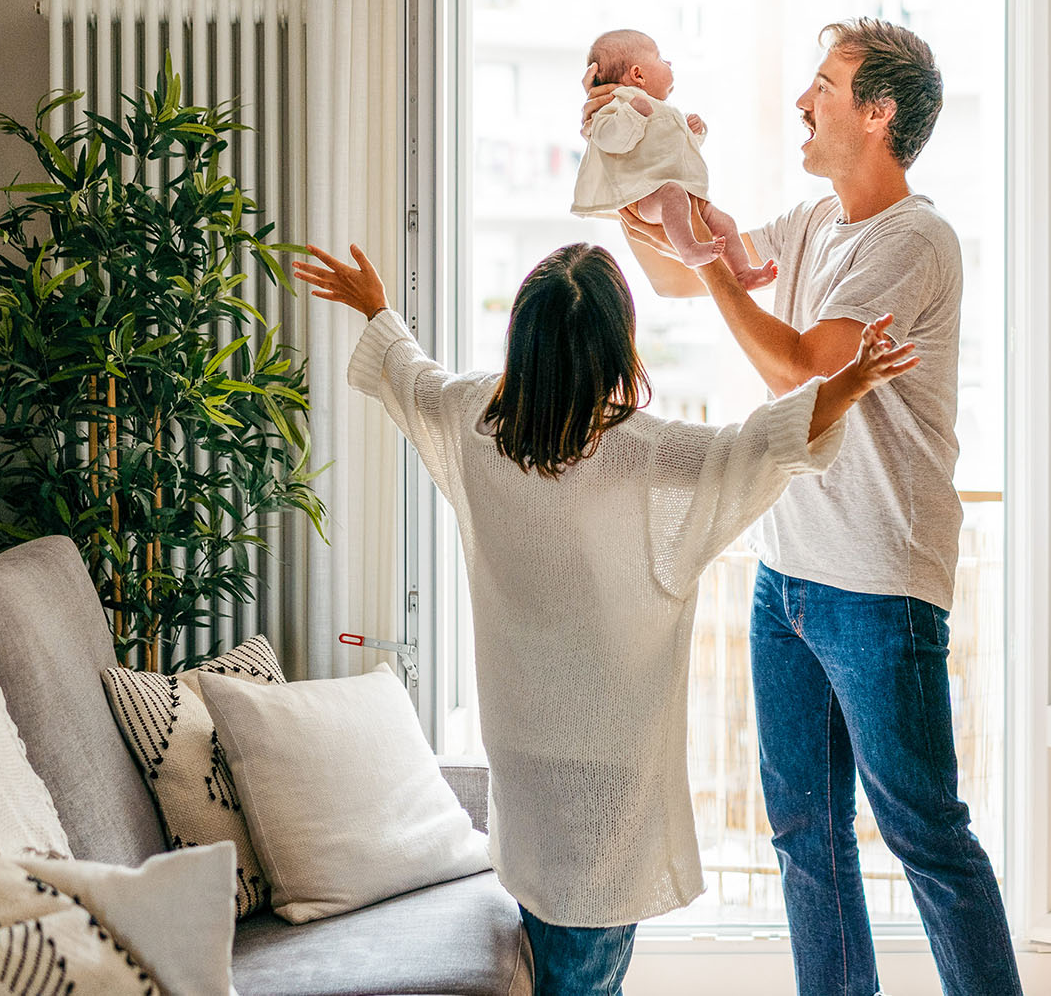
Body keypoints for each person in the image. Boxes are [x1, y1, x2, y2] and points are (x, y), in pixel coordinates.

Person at [291, 240, 919, 996]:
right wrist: (850, 380)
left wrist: (377, 309)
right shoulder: (648, 455)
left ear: (522, 340)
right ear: (617, 349)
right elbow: (762, 444)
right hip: (608, 789)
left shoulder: (475, 423)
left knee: (560, 965)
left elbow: (411, 378)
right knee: (582, 977)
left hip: (522, 769)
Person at [583, 17, 1024, 996]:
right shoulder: (817, 221)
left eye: (824, 85)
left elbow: (801, 368)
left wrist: (707, 255)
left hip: (878, 584)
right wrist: (625, 159)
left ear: (877, 114)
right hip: (785, 574)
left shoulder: (915, 239)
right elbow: (679, 267)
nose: (802, 101)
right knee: (803, 834)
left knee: (924, 832)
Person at [573, 28, 773, 289]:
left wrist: (694, 133)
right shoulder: (618, 104)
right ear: (638, 75)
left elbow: (675, 152)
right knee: (673, 194)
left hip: (684, 195)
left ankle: (743, 273)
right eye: (660, 58)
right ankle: (689, 249)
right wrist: (632, 115)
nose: (668, 63)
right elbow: (610, 140)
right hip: (647, 196)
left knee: (725, 223)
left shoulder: (661, 109)